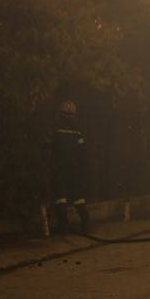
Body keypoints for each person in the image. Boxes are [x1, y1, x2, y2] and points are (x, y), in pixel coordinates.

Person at [50, 100, 91, 234]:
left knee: (60, 196)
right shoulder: (77, 130)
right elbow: (83, 150)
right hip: (74, 167)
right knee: (78, 196)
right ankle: (86, 225)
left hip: (59, 166)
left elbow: (47, 146)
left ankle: (63, 227)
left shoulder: (55, 128)